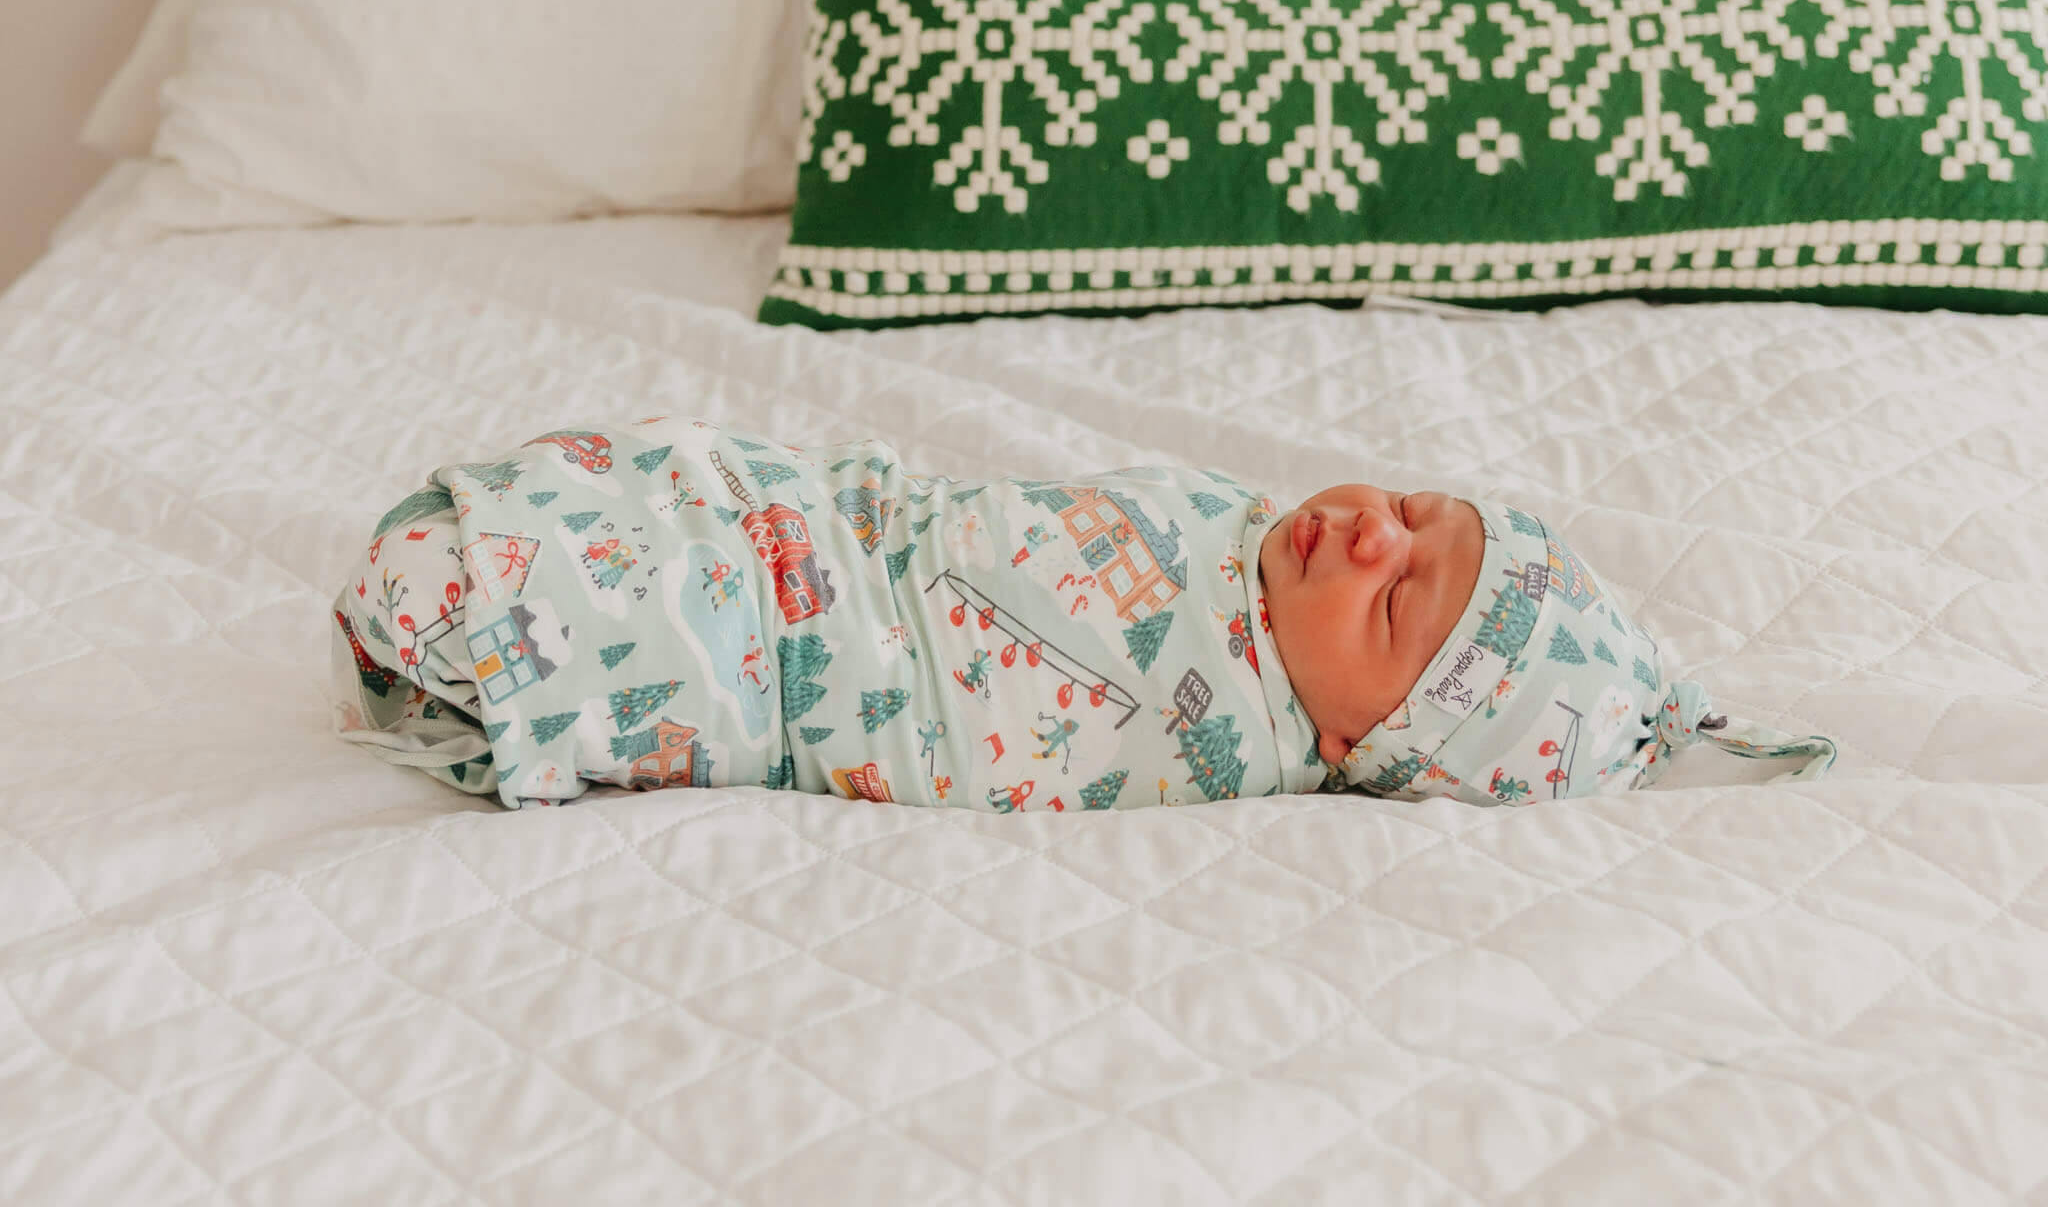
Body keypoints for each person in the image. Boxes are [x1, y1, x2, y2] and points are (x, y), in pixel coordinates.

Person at [332, 420, 1834, 812]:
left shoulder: (1221, 737)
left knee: (682, 634)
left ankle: (488, 631)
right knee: (698, 505)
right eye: (1414, 510)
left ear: (1367, 743)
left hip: (820, 657)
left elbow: (968, 702)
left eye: (1395, 598)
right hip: (828, 534)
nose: (1372, 531)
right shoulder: (1243, 542)